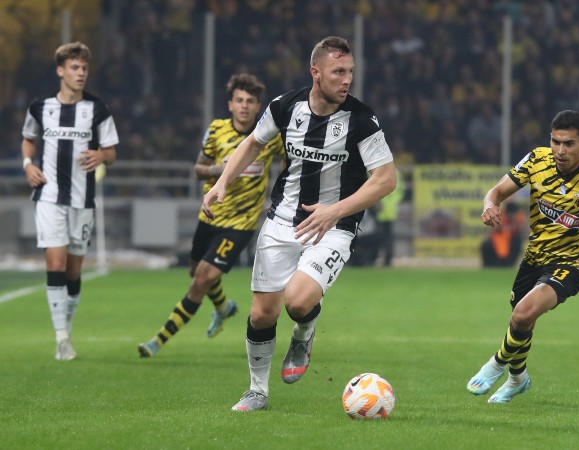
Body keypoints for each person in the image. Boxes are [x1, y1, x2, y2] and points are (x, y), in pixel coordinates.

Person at [202, 36, 397, 412]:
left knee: (297, 300)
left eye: (350, 72)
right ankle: (257, 391)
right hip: (283, 222)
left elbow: (386, 179)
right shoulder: (285, 107)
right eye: (338, 72)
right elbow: (253, 143)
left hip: (333, 228)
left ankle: (304, 333)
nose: (346, 79)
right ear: (315, 72)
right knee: (262, 314)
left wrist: (334, 211)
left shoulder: (361, 119)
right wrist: (222, 182)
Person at [467, 110, 579, 403]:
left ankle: (497, 364)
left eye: (569, 144)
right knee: (521, 320)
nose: (560, 150)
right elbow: (497, 191)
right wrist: (490, 205)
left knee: (523, 313)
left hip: (574, 264)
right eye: (556, 142)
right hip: (534, 257)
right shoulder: (536, 160)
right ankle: (518, 378)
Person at [138, 73, 283, 357]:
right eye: (239, 100)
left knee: (201, 280)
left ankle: (158, 341)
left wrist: (284, 195)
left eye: (250, 101)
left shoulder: (268, 136)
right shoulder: (217, 130)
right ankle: (223, 307)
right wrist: (221, 170)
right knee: (197, 272)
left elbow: (289, 161)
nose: (244, 106)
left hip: (241, 224)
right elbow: (198, 169)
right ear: (230, 104)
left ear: (258, 107)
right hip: (210, 216)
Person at [21, 42, 119, 361]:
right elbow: (28, 139)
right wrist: (28, 164)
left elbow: (112, 153)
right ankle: (61, 338)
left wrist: (101, 155)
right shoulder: (40, 108)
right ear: (60, 71)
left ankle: (67, 329)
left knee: (74, 273)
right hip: (48, 197)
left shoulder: (97, 109)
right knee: (55, 264)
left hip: (82, 199)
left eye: (84, 68)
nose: (80, 73)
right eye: (74, 68)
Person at [480, 201, 525, 267]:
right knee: (486, 245)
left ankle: (510, 263)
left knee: (517, 241)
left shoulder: (518, 218)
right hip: (498, 240)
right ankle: (489, 265)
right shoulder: (499, 215)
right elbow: (494, 228)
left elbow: (521, 228)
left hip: (510, 242)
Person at [376, 167, 405, 266]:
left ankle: (375, 258)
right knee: (388, 237)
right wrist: (395, 201)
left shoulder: (378, 170)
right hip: (391, 209)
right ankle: (388, 260)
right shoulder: (397, 172)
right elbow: (401, 190)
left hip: (379, 209)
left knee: (380, 236)